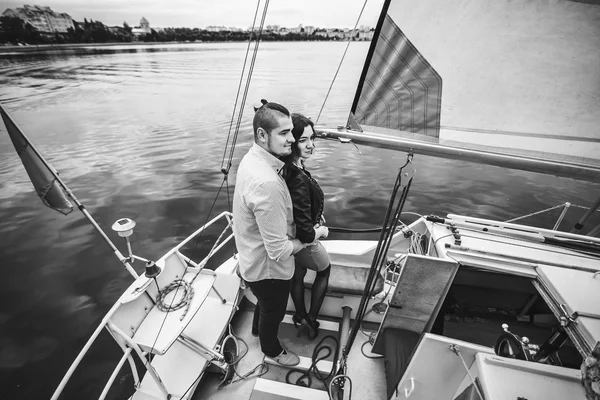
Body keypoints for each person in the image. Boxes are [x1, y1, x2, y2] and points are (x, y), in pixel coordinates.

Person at [232, 100, 307, 366]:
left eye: (291, 131)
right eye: (284, 133)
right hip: (268, 272)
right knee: (274, 312)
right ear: (262, 135)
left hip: (250, 259)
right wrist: (309, 238)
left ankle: (256, 329)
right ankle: (272, 349)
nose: (293, 139)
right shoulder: (267, 184)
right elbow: (278, 251)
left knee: (265, 306)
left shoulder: (251, 157)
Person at [282, 113, 330, 340]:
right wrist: (319, 230)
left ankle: (299, 314)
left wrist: (315, 216)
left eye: (313, 139)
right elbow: (306, 233)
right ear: (292, 142)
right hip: (305, 241)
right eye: (304, 140)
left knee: (298, 274)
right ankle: (311, 316)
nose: (311, 145)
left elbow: (297, 208)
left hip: (290, 240)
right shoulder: (298, 177)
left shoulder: (292, 167)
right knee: (325, 269)